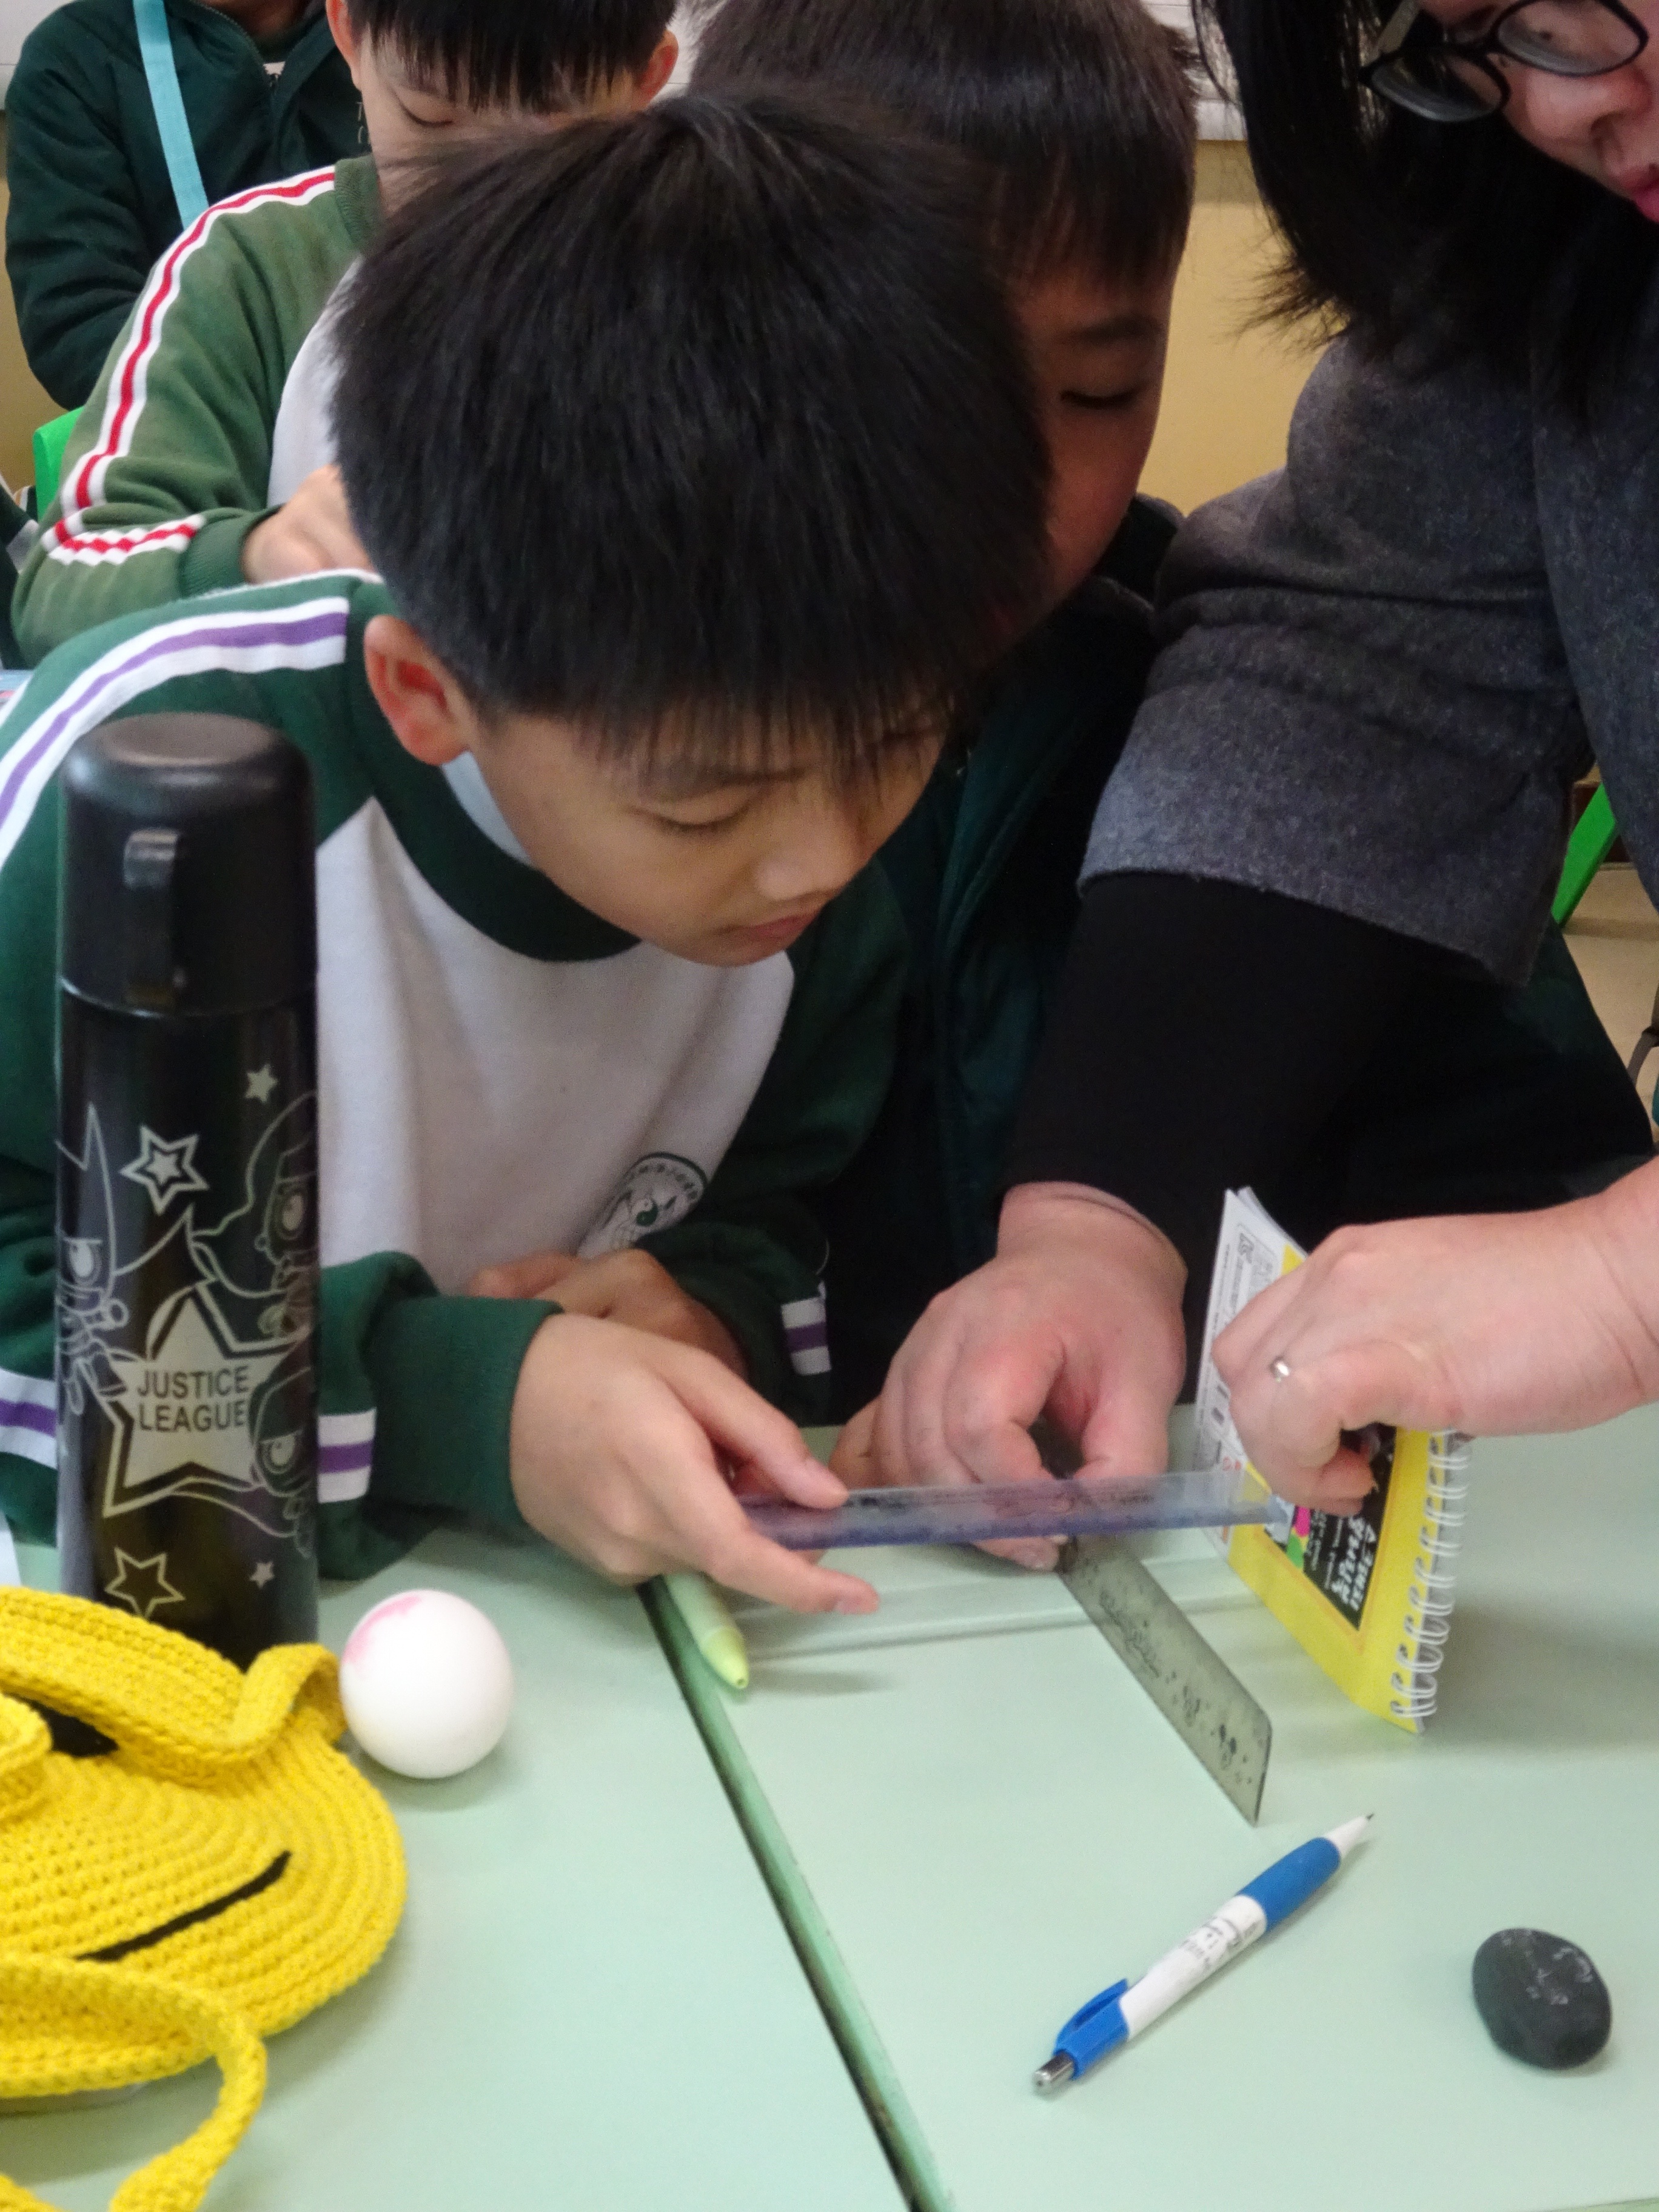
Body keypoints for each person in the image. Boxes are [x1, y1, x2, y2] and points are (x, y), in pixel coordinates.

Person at [0, 98, 1049, 1610]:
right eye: (700, 807)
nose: (815, 863)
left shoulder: (807, 853)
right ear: (426, 694)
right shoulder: (146, 795)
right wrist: (462, 1400)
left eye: (898, 742)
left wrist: (710, 1320)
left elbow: (776, 1218)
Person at [845, 0, 1659, 1523]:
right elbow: (1369, 664)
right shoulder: (1541, 236)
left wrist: (1622, 1279)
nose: (1560, 107)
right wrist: (1095, 1220)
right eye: (1469, 43)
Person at [691, 0, 1197, 1416]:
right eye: (920, 386)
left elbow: (1517, 1165)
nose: (1006, 501)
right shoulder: (604, 725)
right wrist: (706, 1315)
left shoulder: (1236, 691)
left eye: (1097, 391)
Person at [8, 0, 680, 666]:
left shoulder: (687, 273)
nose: (483, 187)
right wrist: (255, 553)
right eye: (430, 116)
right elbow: (61, 589)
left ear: (647, 78)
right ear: (349, 34)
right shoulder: (249, 271)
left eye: (550, 134)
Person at [5, 0, 360, 409]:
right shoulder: (77, 58)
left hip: (396, 408)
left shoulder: (399, 29)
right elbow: (80, 326)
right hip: (198, 426)